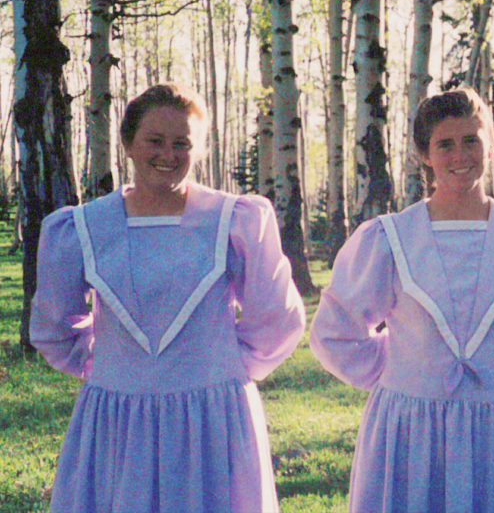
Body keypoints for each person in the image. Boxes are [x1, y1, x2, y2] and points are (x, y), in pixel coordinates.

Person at [31, 83, 306, 512]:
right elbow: (54, 327)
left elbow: (276, 317)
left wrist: (220, 366)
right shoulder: (83, 227)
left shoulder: (234, 220)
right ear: (127, 143)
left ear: (198, 150)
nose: (168, 154)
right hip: (117, 418)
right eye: (154, 141)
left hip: (212, 416)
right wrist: (111, 365)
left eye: (182, 143)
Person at [311, 86, 494, 513]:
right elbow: (335, 332)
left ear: (491, 147)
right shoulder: (390, 238)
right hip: (412, 433)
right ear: (425, 154)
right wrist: (404, 369)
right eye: (445, 144)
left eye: (471, 140)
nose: (461, 155)